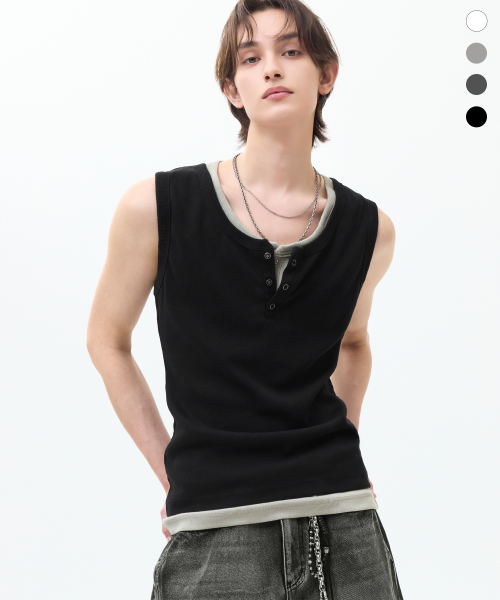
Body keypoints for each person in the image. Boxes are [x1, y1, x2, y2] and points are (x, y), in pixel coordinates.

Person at [86, 1, 403, 598]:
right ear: (232, 89)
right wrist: (172, 471)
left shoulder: (369, 229)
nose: (272, 68)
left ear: (326, 74)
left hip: (344, 527)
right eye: (251, 58)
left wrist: (335, 448)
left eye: (291, 51)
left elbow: (354, 343)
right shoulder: (157, 208)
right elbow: (107, 341)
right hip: (215, 532)